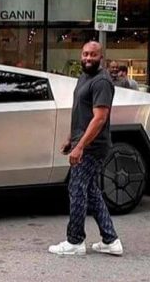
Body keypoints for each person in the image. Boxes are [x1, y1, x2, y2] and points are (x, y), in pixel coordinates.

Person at [49, 40, 123, 258]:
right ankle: (111, 240)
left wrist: (80, 146)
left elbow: (100, 119)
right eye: (85, 54)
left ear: (101, 57)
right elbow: (82, 114)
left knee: (77, 189)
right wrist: (70, 139)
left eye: (93, 55)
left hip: (93, 147)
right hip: (83, 143)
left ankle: (75, 241)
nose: (88, 58)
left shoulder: (101, 82)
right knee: (91, 192)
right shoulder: (84, 77)